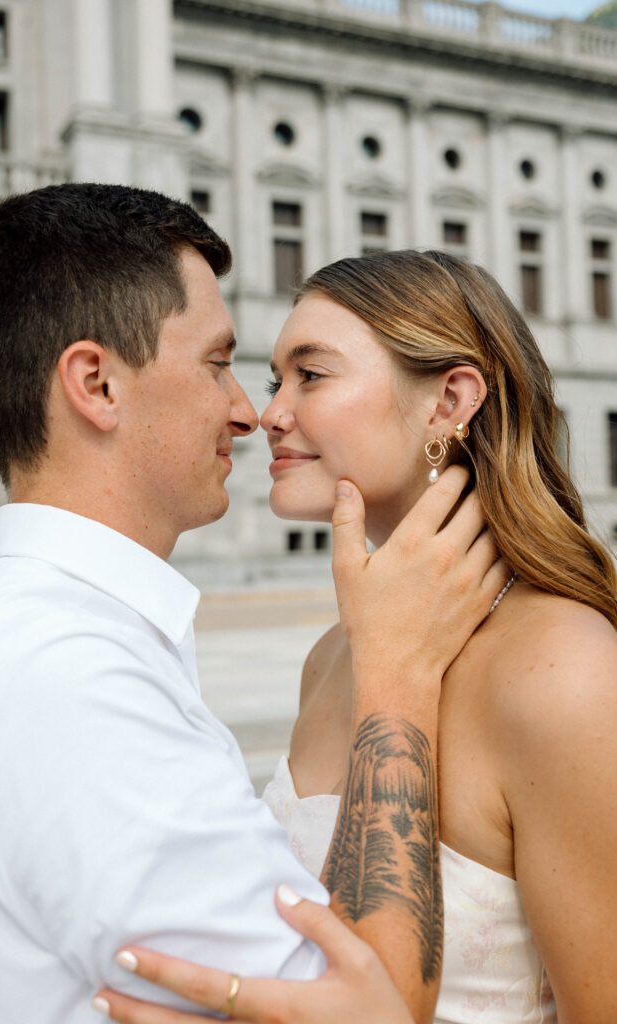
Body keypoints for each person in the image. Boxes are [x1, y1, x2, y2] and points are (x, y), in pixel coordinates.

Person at [0, 187, 505, 1024]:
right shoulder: (76, 683)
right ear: (96, 384)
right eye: (216, 363)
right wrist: (395, 678)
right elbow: (363, 1007)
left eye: (303, 375)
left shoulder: (17, 647)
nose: (249, 413)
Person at [95, 250, 617, 1024]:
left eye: (312, 374)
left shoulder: (563, 668)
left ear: (450, 400)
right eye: (277, 380)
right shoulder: (332, 657)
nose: (268, 414)